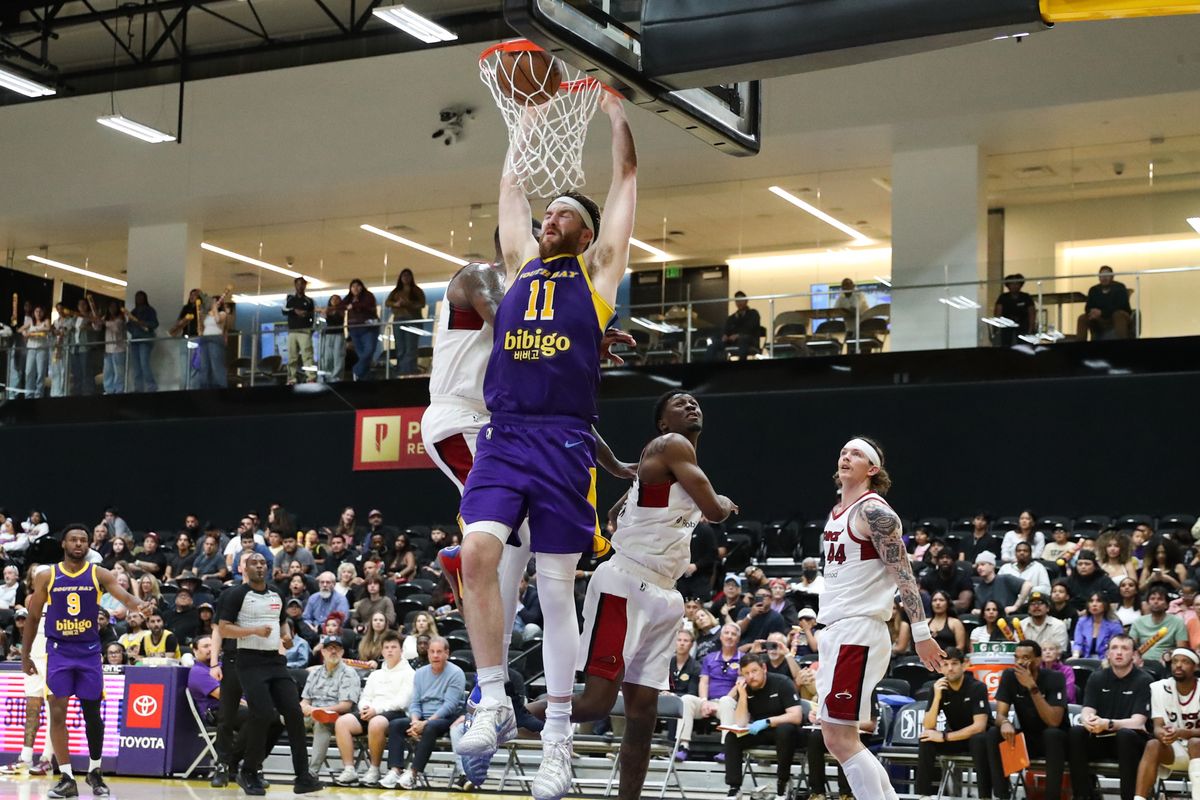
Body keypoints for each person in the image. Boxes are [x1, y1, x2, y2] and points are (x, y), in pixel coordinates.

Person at [454, 87, 638, 800]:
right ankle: (494, 698)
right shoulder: (517, 265)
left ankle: (557, 740)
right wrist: (525, 122)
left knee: (557, 590)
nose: (550, 215)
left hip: (563, 443)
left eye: (564, 212)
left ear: (585, 234)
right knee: (477, 552)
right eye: (549, 210)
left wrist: (617, 115)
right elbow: (508, 186)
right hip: (504, 436)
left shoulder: (596, 278)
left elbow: (623, 182)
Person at [522, 390, 736, 799]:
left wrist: (635, 497)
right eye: (679, 403)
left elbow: (614, 513)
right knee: (594, 704)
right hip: (626, 586)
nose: (691, 405)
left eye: (694, 401)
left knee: (642, 717)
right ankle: (500, 723)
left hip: (665, 594)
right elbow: (714, 510)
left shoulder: (669, 466)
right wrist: (724, 502)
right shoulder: (670, 446)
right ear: (662, 423)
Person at [816, 436, 943, 800]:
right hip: (837, 630)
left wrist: (920, 633)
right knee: (839, 738)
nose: (845, 456)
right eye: (842, 451)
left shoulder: (875, 512)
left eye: (855, 453)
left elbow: (905, 575)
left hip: (858, 630)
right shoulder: (837, 511)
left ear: (872, 469)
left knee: (839, 739)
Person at [21, 524, 155, 798]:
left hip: (89, 652)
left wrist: (139, 605)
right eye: (74, 540)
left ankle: (95, 772)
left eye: (83, 540)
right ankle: (67, 777)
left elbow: (125, 597)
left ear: (88, 545)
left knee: (93, 716)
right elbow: (33, 619)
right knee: (57, 713)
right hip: (58, 651)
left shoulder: (99, 573)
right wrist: (25, 656)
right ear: (64, 544)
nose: (79, 544)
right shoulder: (47, 576)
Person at [216, 552, 323, 795]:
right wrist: (253, 630)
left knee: (295, 713)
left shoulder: (276, 593)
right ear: (244, 568)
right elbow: (224, 629)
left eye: (263, 563)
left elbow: (282, 620)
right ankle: (248, 771)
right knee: (263, 715)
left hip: (275, 661)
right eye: (254, 563)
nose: (260, 566)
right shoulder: (236, 595)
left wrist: (286, 636)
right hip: (249, 661)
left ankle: (303, 776)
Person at [987, 640, 1068, 800]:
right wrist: (1004, 723)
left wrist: (1032, 687)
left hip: (1056, 744)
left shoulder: (1055, 678)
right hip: (1027, 742)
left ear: (1038, 660)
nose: (1019, 662)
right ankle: (1002, 795)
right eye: (1016, 658)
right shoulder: (1009, 676)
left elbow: (1054, 721)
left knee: (1051, 734)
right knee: (993, 733)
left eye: (1025, 658)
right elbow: (1000, 714)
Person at [332, 630, 415, 786]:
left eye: (394, 647)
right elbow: (365, 696)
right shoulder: (376, 674)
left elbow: (402, 701)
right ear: (382, 651)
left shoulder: (409, 673)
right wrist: (365, 708)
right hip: (371, 712)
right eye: (387, 647)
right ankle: (349, 770)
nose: (390, 650)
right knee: (342, 722)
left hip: (397, 715)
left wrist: (375, 710)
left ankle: (374, 769)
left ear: (401, 650)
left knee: (376, 722)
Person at [380, 636, 464, 789]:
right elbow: (415, 702)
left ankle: (413, 773)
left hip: (446, 718)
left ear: (447, 653)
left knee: (430, 728)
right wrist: (414, 721)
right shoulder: (420, 673)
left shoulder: (456, 673)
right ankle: (395, 770)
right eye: (432, 651)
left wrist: (424, 723)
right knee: (396, 725)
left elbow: (450, 706)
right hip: (421, 718)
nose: (435, 655)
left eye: (439, 652)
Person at [915, 646, 992, 800]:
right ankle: (924, 795)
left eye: (955, 663)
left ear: (964, 665)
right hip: (956, 738)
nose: (950, 668)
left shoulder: (977, 687)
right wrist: (937, 697)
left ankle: (985, 796)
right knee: (926, 738)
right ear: (940, 668)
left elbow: (979, 726)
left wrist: (944, 737)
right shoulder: (938, 688)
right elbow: (929, 725)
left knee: (979, 740)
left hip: (978, 739)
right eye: (945, 664)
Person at [721, 655, 803, 800]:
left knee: (785, 730)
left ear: (764, 668)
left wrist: (767, 721)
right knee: (732, 736)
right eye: (746, 673)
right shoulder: (746, 688)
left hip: (785, 731)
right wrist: (743, 696)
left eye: (754, 671)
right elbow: (740, 722)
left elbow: (796, 716)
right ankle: (734, 788)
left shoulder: (782, 682)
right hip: (760, 731)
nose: (751, 677)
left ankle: (782, 782)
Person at [0, 565, 54, 777]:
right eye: (35, 576)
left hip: (53, 659)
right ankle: (25, 757)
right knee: (31, 708)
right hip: (34, 658)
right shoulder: (31, 599)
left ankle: (47, 758)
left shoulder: (60, 598)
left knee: (53, 712)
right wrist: (25, 655)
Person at [1133, 648, 1200, 800]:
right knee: (1152, 744)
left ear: (1195, 666)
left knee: (1196, 742)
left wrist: (1183, 733)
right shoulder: (1159, 688)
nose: (1178, 665)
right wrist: (1163, 734)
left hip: (1197, 748)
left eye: (1185, 662)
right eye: (1175, 661)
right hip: (1176, 750)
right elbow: (1157, 726)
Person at [301, 634, 361, 775]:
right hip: (311, 714)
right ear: (322, 652)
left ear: (342, 652)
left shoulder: (349, 673)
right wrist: (303, 708)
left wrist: (317, 710)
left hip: (336, 718)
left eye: (337, 648)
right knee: (281, 717)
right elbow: (305, 700)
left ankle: (311, 772)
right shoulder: (314, 673)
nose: (333, 651)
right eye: (329, 648)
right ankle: (257, 764)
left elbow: (345, 706)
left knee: (322, 721)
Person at [1132, 585, 1189, 664]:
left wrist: (1168, 655)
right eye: (1152, 599)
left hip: (1166, 662)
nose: (1156, 602)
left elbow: (1181, 650)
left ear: (1167, 604)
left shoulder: (1178, 622)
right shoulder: (1138, 622)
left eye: (1160, 599)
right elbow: (1131, 646)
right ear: (1147, 603)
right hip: (1142, 662)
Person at [385, 268, 426, 375]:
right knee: (400, 347)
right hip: (398, 320)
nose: (406, 278)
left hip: (412, 320)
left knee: (410, 347)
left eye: (408, 276)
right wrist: (396, 304)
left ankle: (409, 370)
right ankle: (402, 369)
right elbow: (387, 302)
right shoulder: (395, 291)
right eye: (403, 276)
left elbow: (421, 304)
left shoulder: (416, 290)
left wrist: (408, 303)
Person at [1077, 265, 1132, 340]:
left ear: (1112, 277)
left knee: (1118, 315)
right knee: (1082, 318)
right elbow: (1088, 307)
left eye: (1107, 275)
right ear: (1099, 277)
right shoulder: (1093, 290)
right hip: (1099, 319)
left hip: (1117, 317)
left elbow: (1121, 306)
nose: (1104, 277)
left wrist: (1102, 312)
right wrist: (1092, 312)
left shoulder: (1120, 287)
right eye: (1102, 275)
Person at [708, 291, 761, 360]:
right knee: (715, 343)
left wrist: (738, 335)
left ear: (746, 300)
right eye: (737, 301)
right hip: (732, 342)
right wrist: (725, 335)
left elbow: (751, 327)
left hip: (749, 340)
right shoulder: (732, 317)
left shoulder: (753, 313)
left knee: (743, 339)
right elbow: (726, 329)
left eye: (741, 300)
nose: (739, 303)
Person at [1073, 592, 1126, 660]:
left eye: (1099, 601)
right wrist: (1075, 656)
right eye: (1091, 601)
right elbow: (1078, 643)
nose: (1094, 604)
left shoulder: (1114, 624)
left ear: (1105, 604)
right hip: (1085, 659)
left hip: (1107, 660)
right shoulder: (1082, 622)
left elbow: (1116, 647)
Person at [920, 549, 975, 614]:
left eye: (948, 558)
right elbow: (923, 601)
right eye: (941, 558)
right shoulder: (928, 577)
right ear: (937, 561)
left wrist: (940, 605)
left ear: (954, 561)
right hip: (932, 614)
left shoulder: (964, 577)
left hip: (956, 615)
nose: (945, 560)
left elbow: (963, 604)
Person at [284, 276, 317, 384]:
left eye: (302, 284)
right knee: (291, 356)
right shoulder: (289, 298)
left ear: (305, 286)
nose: (300, 286)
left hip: (305, 331)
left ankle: (311, 377)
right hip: (292, 331)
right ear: (295, 285)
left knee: (307, 355)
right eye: (298, 284)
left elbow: (314, 315)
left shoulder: (309, 301)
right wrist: (295, 310)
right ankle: (291, 378)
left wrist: (311, 329)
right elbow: (283, 310)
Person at [345, 279, 378, 381]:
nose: (355, 288)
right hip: (354, 330)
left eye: (358, 286)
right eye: (353, 286)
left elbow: (367, 305)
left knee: (368, 351)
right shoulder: (348, 298)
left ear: (362, 287)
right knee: (362, 355)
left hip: (368, 329)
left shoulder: (368, 296)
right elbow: (341, 306)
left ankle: (357, 370)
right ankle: (365, 379)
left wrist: (354, 305)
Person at [127, 290, 158, 392]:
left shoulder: (150, 310)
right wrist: (134, 329)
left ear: (145, 298)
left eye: (141, 297)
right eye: (137, 297)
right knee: (136, 366)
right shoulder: (133, 312)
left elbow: (154, 324)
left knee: (144, 364)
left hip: (145, 340)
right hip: (135, 340)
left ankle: (151, 387)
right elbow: (129, 326)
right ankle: (138, 388)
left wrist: (143, 324)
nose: (139, 299)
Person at [993, 273, 1037, 346]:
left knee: (1023, 346)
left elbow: (1032, 313)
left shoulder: (1026, 297)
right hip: (1006, 326)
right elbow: (998, 312)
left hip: (1023, 326)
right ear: (1008, 285)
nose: (1014, 286)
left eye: (1017, 284)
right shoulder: (1003, 297)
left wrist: (1031, 328)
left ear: (1020, 285)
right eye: (1012, 284)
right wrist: (997, 328)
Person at [19, 305, 50, 398]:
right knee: (29, 372)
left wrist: (34, 331)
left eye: (40, 311)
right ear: (34, 313)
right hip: (31, 349)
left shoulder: (46, 321)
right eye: (36, 311)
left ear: (43, 313)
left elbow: (48, 328)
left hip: (41, 349)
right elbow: (20, 329)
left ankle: (38, 394)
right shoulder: (30, 322)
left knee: (40, 372)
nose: (38, 313)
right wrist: (24, 332)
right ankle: (29, 394)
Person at [318, 294, 345, 382]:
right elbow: (322, 313)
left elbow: (339, 314)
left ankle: (337, 377)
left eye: (337, 299)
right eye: (333, 298)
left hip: (338, 334)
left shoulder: (341, 310)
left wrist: (327, 309)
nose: (335, 300)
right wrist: (324, 310)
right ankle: (327, 376)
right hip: (328, 335)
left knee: (338, 356)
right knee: (327, 357)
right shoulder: (326, 310)